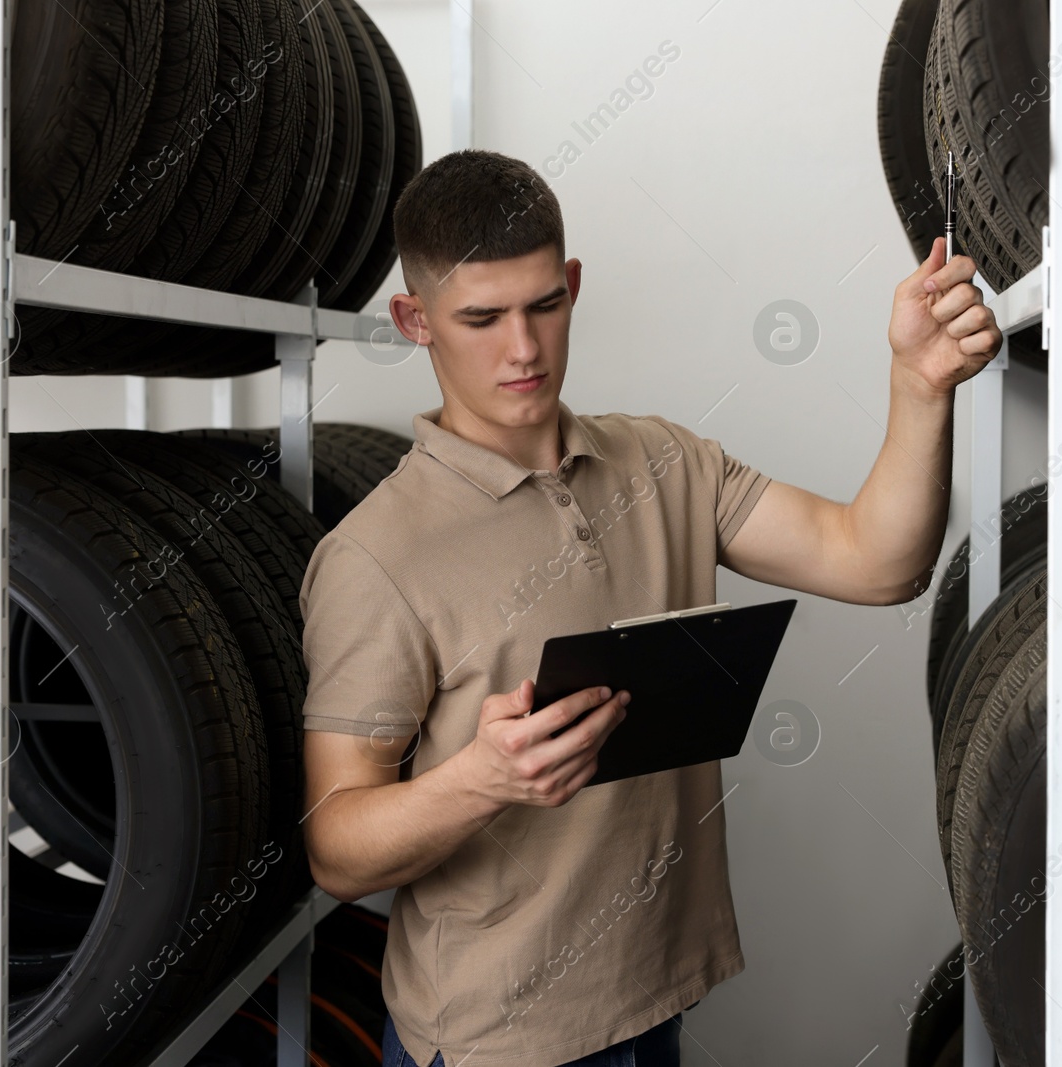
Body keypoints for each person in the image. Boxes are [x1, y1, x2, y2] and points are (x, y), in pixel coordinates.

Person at [297, 149, 1002, 1067]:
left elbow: (878, 562)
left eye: (545, 305)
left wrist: (920, 383)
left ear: (573, 285)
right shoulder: (373, 555)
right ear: (413, 319)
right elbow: (336, 849)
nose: (523, 348)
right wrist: (481, 777)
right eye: (482, 318)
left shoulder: (664, 461)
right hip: (496, 1041)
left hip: (653, 1000)